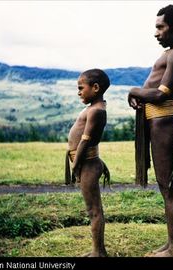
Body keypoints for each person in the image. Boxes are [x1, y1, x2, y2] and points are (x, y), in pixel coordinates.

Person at [127, 4, 173, 257]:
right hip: (157, 122)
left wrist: (134, 91)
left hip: (164, 124)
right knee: (165, 187)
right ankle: (171, 244)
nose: (156, 33)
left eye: (160, 27)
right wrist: (141, 98)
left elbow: (160, 94)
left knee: (168, 187)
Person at [65, 69, 110, 257]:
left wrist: (76, 166)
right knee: (92, 208)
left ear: (96, 88)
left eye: (81, 88)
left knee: (94, 210)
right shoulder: (93, 108)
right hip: (88, 163)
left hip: (87, 165)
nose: (78, 92)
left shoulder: (96, 111)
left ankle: (98, 252)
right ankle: (97, 250)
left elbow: (86, 140)